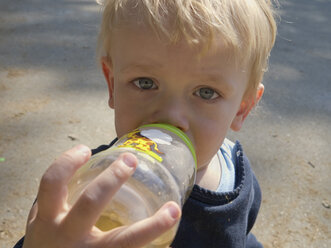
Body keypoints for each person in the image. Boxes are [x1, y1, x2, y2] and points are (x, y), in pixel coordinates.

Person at [14, 0, 277, 247]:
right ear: (113, 85)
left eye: (206, 92)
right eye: (145, 83)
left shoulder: (238, 180)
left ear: (243, 108)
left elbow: (237, 237)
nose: (171, 116)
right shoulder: (88, 189)